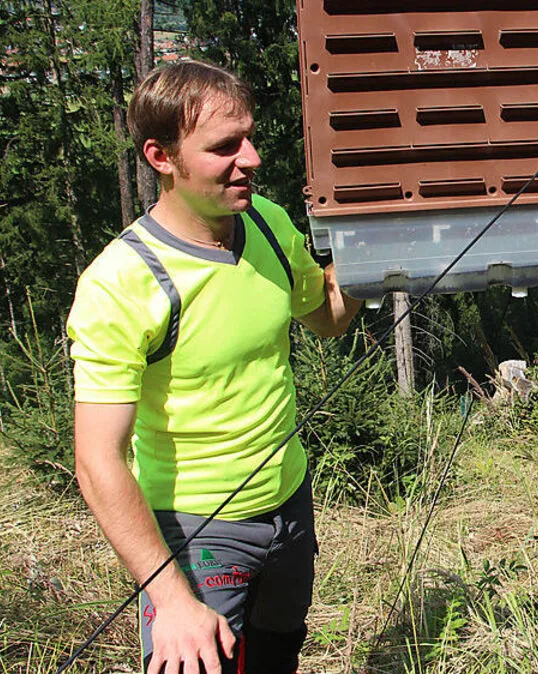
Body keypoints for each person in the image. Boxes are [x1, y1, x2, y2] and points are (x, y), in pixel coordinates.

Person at [67, 60, 360, 674]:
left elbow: (329, 316)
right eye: (224, 147)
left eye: (248, 137)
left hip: (290, 504)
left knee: (277, 656)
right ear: (161, 156)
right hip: (197, 531)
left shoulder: (268, 223)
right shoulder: (121, 283)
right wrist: (169, 599)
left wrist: (374, 253)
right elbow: (98, 462)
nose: (250, 158)